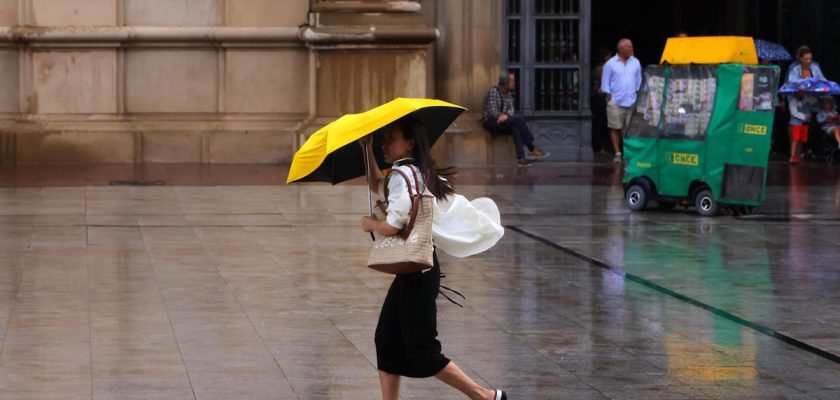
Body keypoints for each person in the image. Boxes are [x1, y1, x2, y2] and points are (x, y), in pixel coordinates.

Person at [360, 117, 507, 400]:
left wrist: (371, 224)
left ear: (410, 142)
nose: (384, 143)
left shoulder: (405, 176)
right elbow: (378, 185)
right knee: (387, 341)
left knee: (423, 350)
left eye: (391, 138)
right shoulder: (411, 172)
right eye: (383, 139)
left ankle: (485, 396)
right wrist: (366, 149)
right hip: (414, 269)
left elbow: (394, 225)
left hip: (418, 270)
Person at [481, 71, 550, 166]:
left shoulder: (508, 94)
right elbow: (493, 113)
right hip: (490, 122)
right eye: (512, 81)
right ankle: (532, 148)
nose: (514, 83)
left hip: (503, 121)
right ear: (505, 83)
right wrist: (505, 116)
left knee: (515, 127)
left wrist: (506, 116)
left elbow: (511, 110)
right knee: (519, 119)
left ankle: (521, 159)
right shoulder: (494, 91)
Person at [600, 38, 642, 162]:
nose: (632, 49)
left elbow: (639, 80)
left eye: (631, 46)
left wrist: (638, 94)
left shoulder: (636, 62)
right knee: (614, 127)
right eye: (629, 47)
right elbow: (605, 82)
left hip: (632, 100)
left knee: (630, 129)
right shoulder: (610, 64)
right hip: (616, 101)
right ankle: (617, 152)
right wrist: (609, 96)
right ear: (621, 49)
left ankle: (628, 152)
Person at [788, 91, 817, 163]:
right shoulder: (793, 100)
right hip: (796, 123)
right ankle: (792, 156)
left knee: (801, 140)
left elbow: (813, 101)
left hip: (804, 123)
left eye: (803, 92)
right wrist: (805, 116)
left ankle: (797, 156)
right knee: (795, 139)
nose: (802, 93)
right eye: (800, 92)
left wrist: (811, 93)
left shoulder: (806, 99)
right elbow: (794, 113)